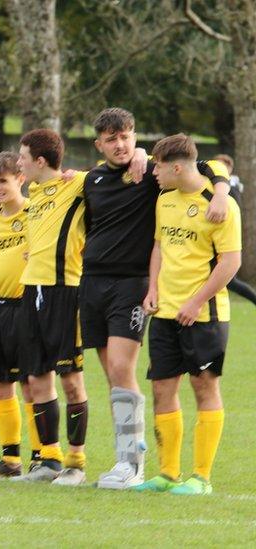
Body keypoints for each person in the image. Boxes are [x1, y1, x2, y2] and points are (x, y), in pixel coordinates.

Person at [79, 108, 231, 489]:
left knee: (121, 367)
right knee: (113, 374)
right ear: (99, 144)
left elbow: (205, 164)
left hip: (132, 285)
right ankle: (134, 463)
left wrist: (224, 189)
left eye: (127, 136)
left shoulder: (152, 174)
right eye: (112, 139)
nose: (121, 145)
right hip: (93, 283)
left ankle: (133, 463)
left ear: (135, 137)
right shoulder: (92, 179)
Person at [135, 134, 241, 495]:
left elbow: (230, 262)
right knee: (162, 388)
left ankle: (201, 477)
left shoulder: (220, 204)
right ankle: (167, 473)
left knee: (203, 386)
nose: (154, 174)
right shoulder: (164, 199)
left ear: (177, 167)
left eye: (159, 168)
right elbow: (159, 247)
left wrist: (196, 302)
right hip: (164, 312)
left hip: (204, 314)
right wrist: (152, 289)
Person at [10, 129, 91, 485]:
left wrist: (136, 156)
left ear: (40, 161)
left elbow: (131, 168)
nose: (18, 163)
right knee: (36, 377)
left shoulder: (77, 185)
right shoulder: (34, 191)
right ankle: (50, 458)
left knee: (71, 380)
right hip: (32, 289)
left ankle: (76, 462)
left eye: (23, 157)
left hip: (66, 291)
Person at [0, 152, 40, 477]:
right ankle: (10, 458)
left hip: (26, 306)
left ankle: (42, 455)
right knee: (1, 385)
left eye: (4, 180)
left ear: (21, 179)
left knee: (31, 383)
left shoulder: (34, 213)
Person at [212, 153, 256, 307]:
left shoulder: (231, 188)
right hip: (214, 238)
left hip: (225, 240)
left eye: (221, 166)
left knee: (230, 280)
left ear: (229, 169)